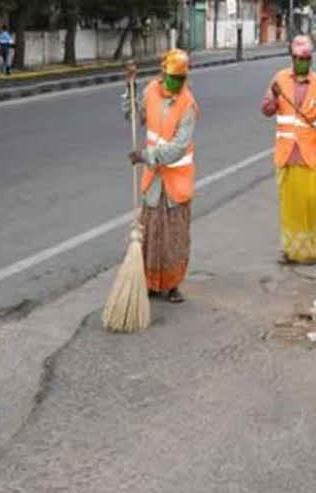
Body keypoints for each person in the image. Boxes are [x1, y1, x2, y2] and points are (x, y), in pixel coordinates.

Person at [123, 50, 199, 304]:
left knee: (174, 237)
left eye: (181, 78)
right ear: (163, 73)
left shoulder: (188, 104)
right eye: (172, 78)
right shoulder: (150, 92)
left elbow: (178, 146)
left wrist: (146, 155)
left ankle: (172, 284)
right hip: (153, 181)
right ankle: (150, 283)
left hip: (176, 183)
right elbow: (133, 116)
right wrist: (129, 89)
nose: (176, 83)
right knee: (151, 234)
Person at [262, 35, 316, 265]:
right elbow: (266, 110)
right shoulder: (279, 80)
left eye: (307, 58)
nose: (303, 62)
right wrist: (274, 96)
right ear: (292, 58)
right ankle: (290, 250)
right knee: (289, 206)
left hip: (309, 153)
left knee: (309, 202)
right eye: (298, 58)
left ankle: (313, 248)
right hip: (286, 153)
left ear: (311, 59)